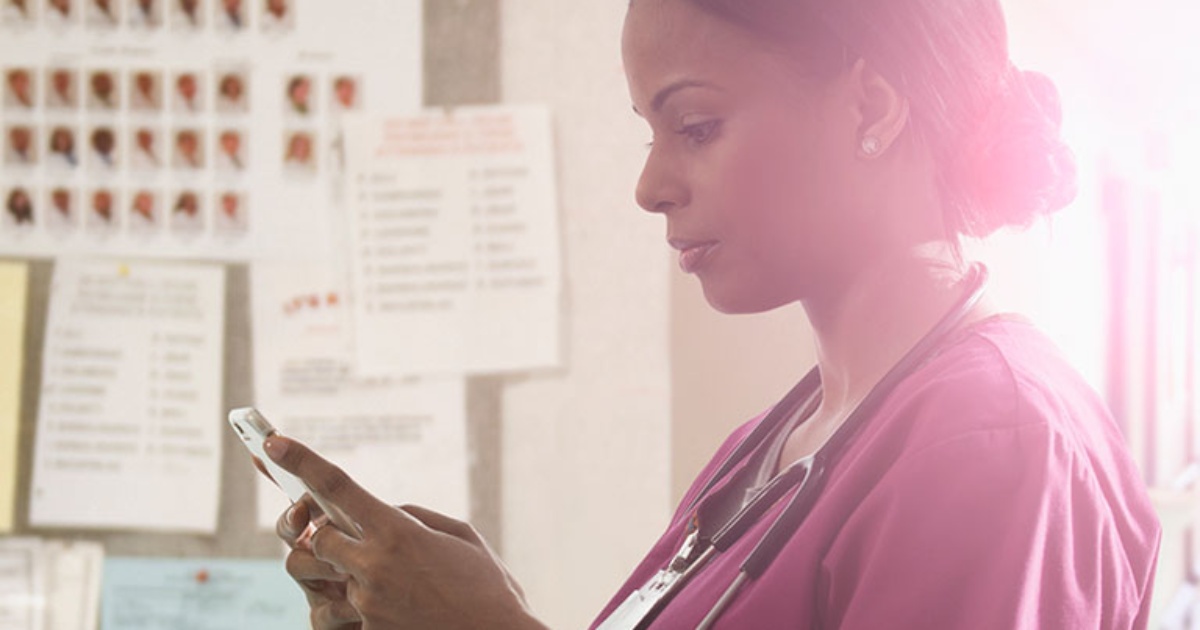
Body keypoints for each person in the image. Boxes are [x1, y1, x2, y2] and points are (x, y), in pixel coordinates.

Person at [267, 1, 1162, 629]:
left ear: (872, 107)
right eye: (648, 135)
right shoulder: (767, 449)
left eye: (694, 126)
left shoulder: (992, 442)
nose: (650, 187)